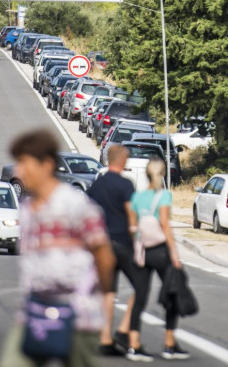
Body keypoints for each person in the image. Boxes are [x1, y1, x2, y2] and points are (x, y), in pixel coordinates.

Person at [0, 129, 114, 367]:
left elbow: (104, 256)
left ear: (47, 164)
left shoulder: (76, 206)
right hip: (35, 314)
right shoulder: (28, 210)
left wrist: (94, 300)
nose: (19, 171)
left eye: (24, 163)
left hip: (79, 319)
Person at [128, 158, 189, 361]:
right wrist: (174, 254)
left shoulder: (137, 197)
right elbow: (164, 224)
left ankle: (134, 344)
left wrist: (137, 246)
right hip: (161, 250)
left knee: (140, 295)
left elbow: (133, 226)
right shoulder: (164, 196)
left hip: (143, 250)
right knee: (172, 292)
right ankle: (169, 343)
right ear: (163, 175)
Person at [87, 145, 137, 356]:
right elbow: (131, 214)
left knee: (107, 292)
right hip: (122, 243)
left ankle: (105, 340)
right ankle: (124, 330)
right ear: (123, 161)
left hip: (101, 246)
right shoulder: (126, 185)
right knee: (141, 286)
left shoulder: (96, 185)